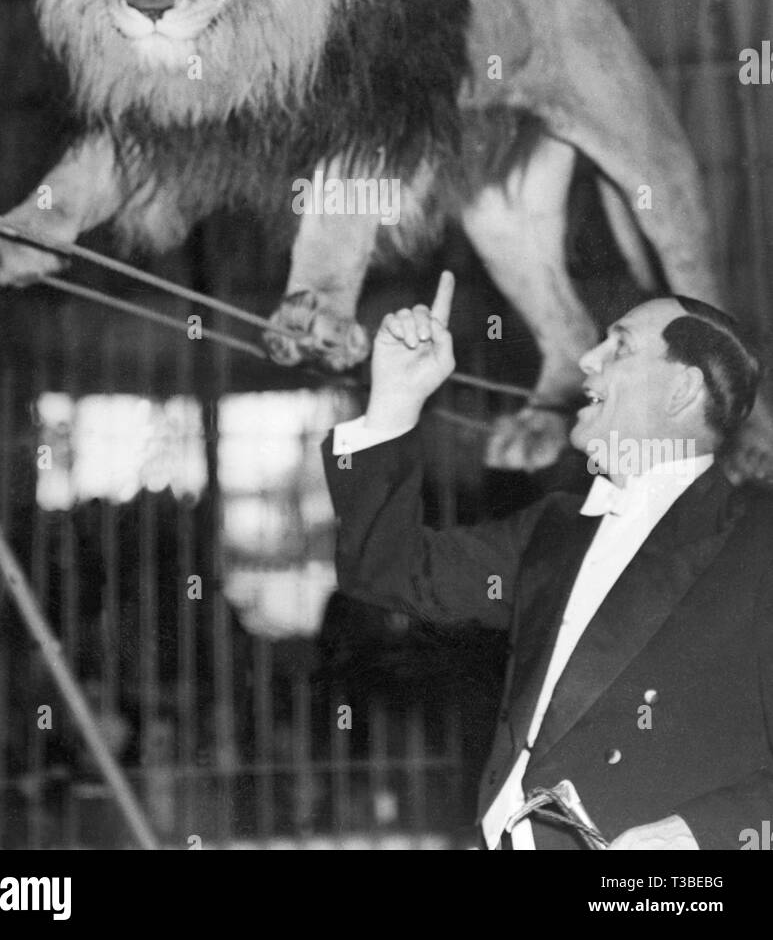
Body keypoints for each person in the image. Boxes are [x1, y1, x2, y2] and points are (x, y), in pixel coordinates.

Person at [322, 272, 773, 849]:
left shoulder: (757, 536)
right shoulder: (553, 530)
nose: (586, 359)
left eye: (619, 346)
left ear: (682, 390)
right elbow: (384, 568)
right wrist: (394, 403)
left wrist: (696, 836)